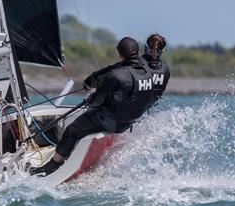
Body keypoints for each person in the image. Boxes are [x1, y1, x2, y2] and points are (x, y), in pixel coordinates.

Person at [29, 37, 161, 176]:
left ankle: (54, 164)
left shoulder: (116, 75)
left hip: (113, 123)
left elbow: (96, 101)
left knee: (72, 130)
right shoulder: (148, 72)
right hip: (129, 123)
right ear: (138, 52)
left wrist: (91, 98)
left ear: (120, 55)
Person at [140, 33, 170, 102]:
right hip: (150, 104)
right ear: (163, 50)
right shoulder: (165, 69)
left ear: (145, 46)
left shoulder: (136, 64)